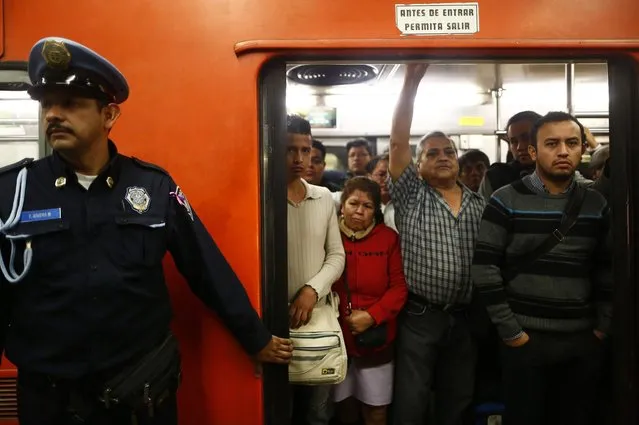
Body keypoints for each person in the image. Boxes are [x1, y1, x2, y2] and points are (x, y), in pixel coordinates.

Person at [0, 37, 292, 425]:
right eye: (46, 104)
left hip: (138, 392)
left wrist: (255, 338)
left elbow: (206, 267)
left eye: (69, 104)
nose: (53, 114)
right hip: (48, 399)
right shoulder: (13, 192)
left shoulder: (152, 187)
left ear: (108, 115)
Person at [472, 112, 612, 425]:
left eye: (572, 143)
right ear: (533, 152)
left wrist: (603, 325)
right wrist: (511, 331)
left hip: (582, 339)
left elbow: (607, 268)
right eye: (552, 143)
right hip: (525, 339)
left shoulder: (595, 203)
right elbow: (485, 268)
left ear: (581, 150)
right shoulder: (505, 199)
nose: (563, 151)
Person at [388, 64, 485, 425]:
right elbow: (398, 141)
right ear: (417, 164)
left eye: (449, 151)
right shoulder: (412, 196)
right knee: (411, 402)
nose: (443, 156)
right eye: (432, 153)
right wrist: (411, 81)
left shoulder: (481, 205)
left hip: (465, 316)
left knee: (457, 399)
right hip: (421, 315)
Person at [331, 177, 407, 425]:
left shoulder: (388, 239)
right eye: (353, 203)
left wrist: (372, 316)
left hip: (376, 336)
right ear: (342, 205)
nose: (359, 211)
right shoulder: (329, 235)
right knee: (344, 406)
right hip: (336, 339)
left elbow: (398, 287)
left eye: (367, 206)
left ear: (376, 210)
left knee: (376, 408)